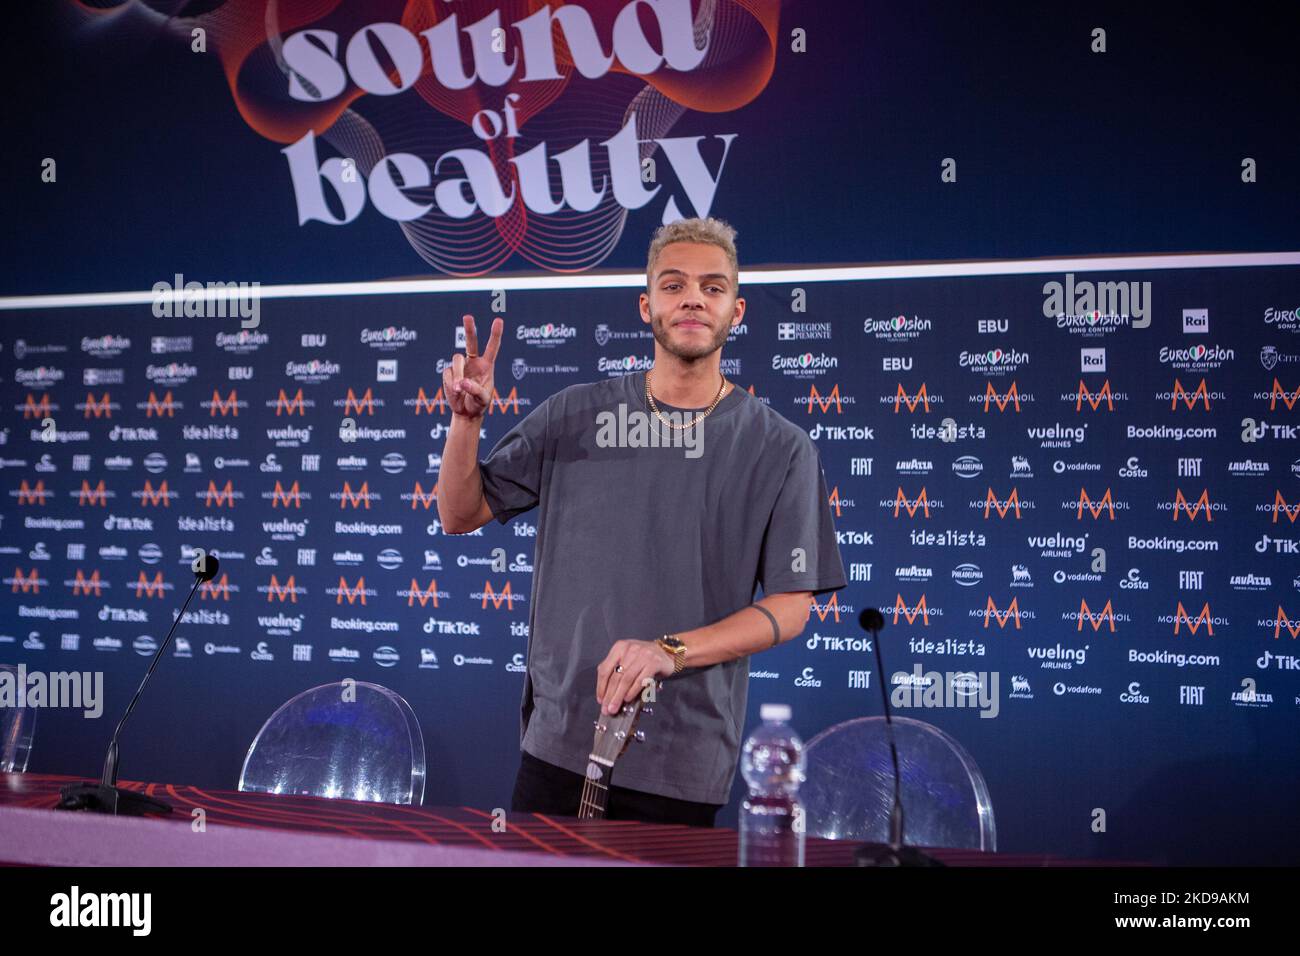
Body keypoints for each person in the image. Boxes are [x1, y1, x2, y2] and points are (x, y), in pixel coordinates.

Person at [436, 216, 847, 827]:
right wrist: (466, 424)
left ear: (736, 310)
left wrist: (669, 651)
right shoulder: (572, 414)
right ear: (646, 304)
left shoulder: (781, 447)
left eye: (712, 287)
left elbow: (791, 608)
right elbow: (459, 512)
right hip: (559, 744)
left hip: (684, 759)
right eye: (674, 283)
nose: (692, 299)